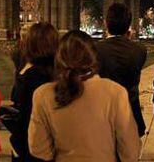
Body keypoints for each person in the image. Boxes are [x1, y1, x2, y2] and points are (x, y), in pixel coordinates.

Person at [28, 30, 140, 162]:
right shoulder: (115, 92)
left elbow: (39, 149)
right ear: (93, 57)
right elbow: (130, 151)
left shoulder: (43, 95)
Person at [95, 3, 147, 136]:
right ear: (129, 25)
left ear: (106, 23)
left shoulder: (95, 49)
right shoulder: (140, 50)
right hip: (130, 113)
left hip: (103, 115)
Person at [10, 22, 59, 161]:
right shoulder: (64, 74)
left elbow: (25, 119)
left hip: (33, 148)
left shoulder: (31, 77)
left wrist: (16, 146)